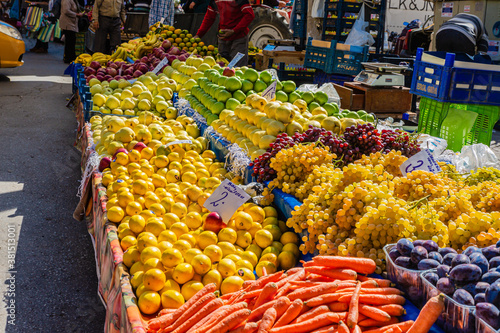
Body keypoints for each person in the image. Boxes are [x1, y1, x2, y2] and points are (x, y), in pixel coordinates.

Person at [194, 0, 254, 67]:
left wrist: (234, 30)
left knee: (238, 68)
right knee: (222, 67)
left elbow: (249, 15)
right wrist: (198, 35)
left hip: (238, 39)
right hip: (223, 40)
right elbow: (209, 17)